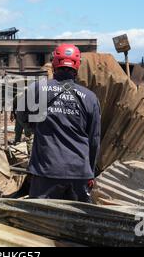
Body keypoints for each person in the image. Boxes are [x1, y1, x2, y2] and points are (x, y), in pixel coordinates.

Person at [19, 44, 101, 202]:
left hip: (45, 173)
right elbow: (94, 140)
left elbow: (22, 115)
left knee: (41, 222)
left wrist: (35, 127)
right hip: (79, 174)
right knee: (78, 223)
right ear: (77, 65)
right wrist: (89, 172)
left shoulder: (37, 89)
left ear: (55, 62)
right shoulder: (90, 98)